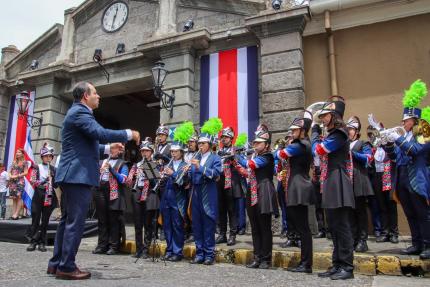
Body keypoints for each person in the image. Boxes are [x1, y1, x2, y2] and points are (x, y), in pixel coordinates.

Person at [47, 81, 140, 280]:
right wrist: (128, 133)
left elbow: (87, 146)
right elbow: (100, 133)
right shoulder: (81, 112)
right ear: (85, 97)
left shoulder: (76, 113)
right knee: (75, 222)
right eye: (95, 93)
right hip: (77, 175)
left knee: (66, 221)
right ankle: (67, 266)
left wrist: (108, 149)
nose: (99, 96)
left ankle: (56, 264)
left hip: (71, 174)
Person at [383, 80, 430, 260]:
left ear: (414, 120)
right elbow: (395, 157)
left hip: (417, 177)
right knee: (410, 212)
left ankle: (428, 244)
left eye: (406, 119)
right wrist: (387, 144)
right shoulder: (406, 135)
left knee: (422, 213)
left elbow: (416, 150)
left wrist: (398, 139)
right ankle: (417, 243)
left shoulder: (425, 129)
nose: (403, 122)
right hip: (402, 177)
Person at [311, 97, 355, 280]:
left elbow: (319, 150)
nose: (322, 119)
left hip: (338, 180)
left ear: (334, 115)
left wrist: (313, 133)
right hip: (331, 180)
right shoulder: (332, 133)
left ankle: (347, 267)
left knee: (342, 226)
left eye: (325, 115)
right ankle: (337, 264)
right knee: (334, 226)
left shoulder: (340, 133)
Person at [234, 124, 277, 269]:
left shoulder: (268, 156)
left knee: (264, 227)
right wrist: (242, 170)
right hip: (252, 191)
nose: (255, 144)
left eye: (259, 143)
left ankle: (266, 259)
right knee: (254, 227)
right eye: (255, 142)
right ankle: (257, 257)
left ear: (266, 145)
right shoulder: (256, 155)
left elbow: (250, 164)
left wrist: (236, 155)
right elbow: (250, 171)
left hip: (264, 191)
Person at [277, 117, 315, 273]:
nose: (291, 133)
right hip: (295, 188)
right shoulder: (298, 144)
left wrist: (277, 150)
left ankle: (306, 264)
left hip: (300, 188)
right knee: (301, 228)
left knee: (303, 229)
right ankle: (304, 262)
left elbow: (280, 154)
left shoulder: (301, 145)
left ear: (303, 131)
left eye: (294, 131)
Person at [189, 129, 222, 265]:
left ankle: (209, 254)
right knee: (197, 224)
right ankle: (199, 253)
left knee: (208, 224)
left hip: (208, 192)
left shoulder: (215, 157)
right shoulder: (195, 157)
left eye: (203, 143)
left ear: (209, 144)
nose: (200, 146)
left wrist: (200, 167)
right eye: (199, 143)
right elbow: (191, 176)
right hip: (195, 192)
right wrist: (187, 171)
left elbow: (216, 174)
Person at [93, 146, 129, 255]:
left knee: (114, 220)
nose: (113, 151)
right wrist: (99, 172)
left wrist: (111, 170)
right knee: (102, 220)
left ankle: (114, 246)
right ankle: (102, 245)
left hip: (114, 192)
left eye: (115, 149)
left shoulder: (123, 164)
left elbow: (123, 180)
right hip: (100, 190)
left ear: (119, 151)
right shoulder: (101, 161)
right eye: (111, 149)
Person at [367, 125, 399, 244]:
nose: (378, 138)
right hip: (377, 176)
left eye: (380, 135)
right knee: (381, 205)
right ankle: (385, 232)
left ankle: (394, 233)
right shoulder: (375, 149)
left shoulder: (390, 146)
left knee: (391, 205)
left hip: (388, 176)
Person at [346, 116, 374, 253]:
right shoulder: (344, 144)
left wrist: (352, 154)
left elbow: (368, 158)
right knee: (350, 213)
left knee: (360, 212)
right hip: (347, 183)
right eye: (348, 129)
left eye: (351, 129)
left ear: (357, 131)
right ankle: (353, 238)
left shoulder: (363, 144)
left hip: (359, 181)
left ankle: (362, 240)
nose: (349, 131)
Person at [126, 138, 158, 259]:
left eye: (147, 151)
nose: (144, 153)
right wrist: (133, 177)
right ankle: (138, 248)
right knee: (137, 223)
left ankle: (146, 248)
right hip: (137, 191)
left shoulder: (155, 164)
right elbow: (128, 182)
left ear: (151, 152)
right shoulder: (136, 165)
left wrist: (147, 171)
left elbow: (156, 182)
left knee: (147, 222)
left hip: (149, 193)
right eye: (143, 151)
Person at [160, 140, 189, 261]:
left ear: (181, 152)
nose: (173, 153)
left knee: (177, 225)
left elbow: (183, 182)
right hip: (166, 198)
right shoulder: (168, 165)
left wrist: (172, 174)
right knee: (167, 226)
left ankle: (177, 252)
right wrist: (161, 177)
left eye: (176, 151)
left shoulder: (185, 166)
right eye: (172, 151)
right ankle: (169, 249)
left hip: (178, 199)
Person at [216, 127, 245, 246]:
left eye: (226, 137)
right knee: (221, 210)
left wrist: (234, 157)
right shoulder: (218, 151)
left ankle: (232, 235)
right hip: (220, 183)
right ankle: (222, 234)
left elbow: (243, 162)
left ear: (231, 138)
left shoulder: (236, 149)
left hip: (231, 183)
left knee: (232, 211)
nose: (224, 139)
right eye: (222, 137)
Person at [28, 143, 58, 252]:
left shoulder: (54, 169)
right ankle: (33, 241)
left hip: (49, 195)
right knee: (35, 218)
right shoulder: (37, 167)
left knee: (45, 220)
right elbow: (33, 181)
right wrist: (44, 180)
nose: (48, 158)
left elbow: (56, 185)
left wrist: (53, 178)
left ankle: (42, 242)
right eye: (46, 156)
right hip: (39, 194)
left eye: (50, 156)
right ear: (42, 157)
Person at [8, 148, 28, 220]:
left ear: (22, 154)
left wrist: (18, 175)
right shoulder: (14, 162)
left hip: (20, 181)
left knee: (19, 197)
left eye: (19, 152)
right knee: (14, 198)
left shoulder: (25, 162)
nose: (17, 153)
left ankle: (16, 214)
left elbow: (26, 172)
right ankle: (13, 214)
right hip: (13, 181)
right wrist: (10, 175)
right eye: (17, 152)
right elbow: (9, 171)